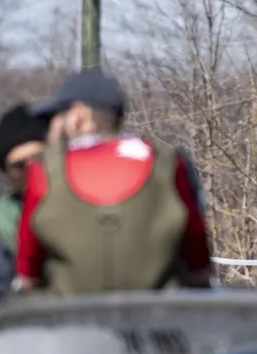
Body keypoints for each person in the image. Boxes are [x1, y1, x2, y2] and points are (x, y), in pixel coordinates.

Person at [12, 68, 216, 296]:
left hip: (69, 310)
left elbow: (28, 266)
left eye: (62, 114)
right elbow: (196, 246)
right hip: (156, 310)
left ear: (80, 115)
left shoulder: (44, 168)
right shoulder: (168, 161)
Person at [0, 103, 49, 311]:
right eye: (19, 165)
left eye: (39, 159)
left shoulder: (84, 203)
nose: (32, 171)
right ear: (6, 171)